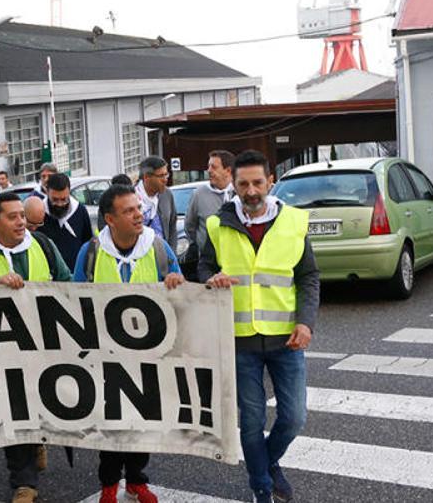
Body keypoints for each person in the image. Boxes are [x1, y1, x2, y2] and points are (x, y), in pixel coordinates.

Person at [199, 150, 319, 503]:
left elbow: (308, 276)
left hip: (287, 339)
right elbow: (202, 267)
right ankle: (262, 487)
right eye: (243, 184)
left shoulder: (294, 222)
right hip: (239, 341)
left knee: (294, 417)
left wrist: (305, 322)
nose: (251, 191)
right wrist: (211, 278)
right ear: (233, 186)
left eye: (257, 183)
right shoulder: (217, 224)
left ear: (270, 182)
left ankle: (267, 462)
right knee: (251, 419)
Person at [72, 184, 184, 503]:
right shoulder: (90, 252)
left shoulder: (158, 247)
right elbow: (75, 299)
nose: (138, 215)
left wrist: (176, 281)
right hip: (105, 355)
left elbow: (181, 291)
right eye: (129, 211)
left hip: (149, 354)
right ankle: (109, 484)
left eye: (138, 208)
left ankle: (136, 480)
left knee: (142, 423)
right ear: (110, 219)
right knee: (110, 424)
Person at [0, 193, 70, 503]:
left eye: (22, 215)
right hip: (2, 351)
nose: (21, 221)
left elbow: (67, 283)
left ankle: (37, 442)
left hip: (44, 346)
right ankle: (24, 483)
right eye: (13, 217)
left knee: (42, 402)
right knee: (13, 411)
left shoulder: (44, 246)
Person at [182, 150, 236, 280]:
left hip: (235, 262)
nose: (209, 170)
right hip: (208, 264)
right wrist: (202, 245)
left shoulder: (240, 193)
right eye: (208, 166)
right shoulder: (199, 194)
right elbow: (190, 226)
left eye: (214, 167)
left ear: (228, 171)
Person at [36, 173, 94, 270]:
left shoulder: (80, 211)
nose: (59, 204)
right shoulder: (39, 213)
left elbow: (87, 243)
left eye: (64, 199)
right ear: (47, 192)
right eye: (54, 200)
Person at [136, 156, 178, 249]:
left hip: (162, 256)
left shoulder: (167, 195)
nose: (165, 179)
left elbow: (172, 227)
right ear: (146, 177)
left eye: (166, 174)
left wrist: (171, 254)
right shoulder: (131, 197)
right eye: (161, 176)